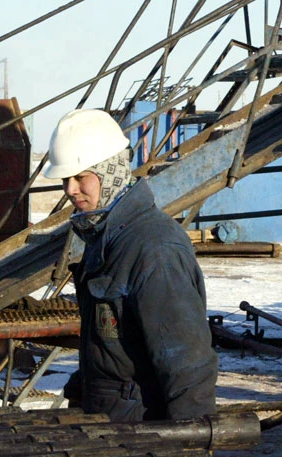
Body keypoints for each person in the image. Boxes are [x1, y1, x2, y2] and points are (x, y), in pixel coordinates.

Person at [51, 109, 217, 422]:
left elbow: (187, 364)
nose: (70, 190)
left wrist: (191, 440)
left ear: (109, 172)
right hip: (109, 420)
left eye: (81, 176)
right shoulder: (104, 236)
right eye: (65, 179)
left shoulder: (153, 248)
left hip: (141, 427)